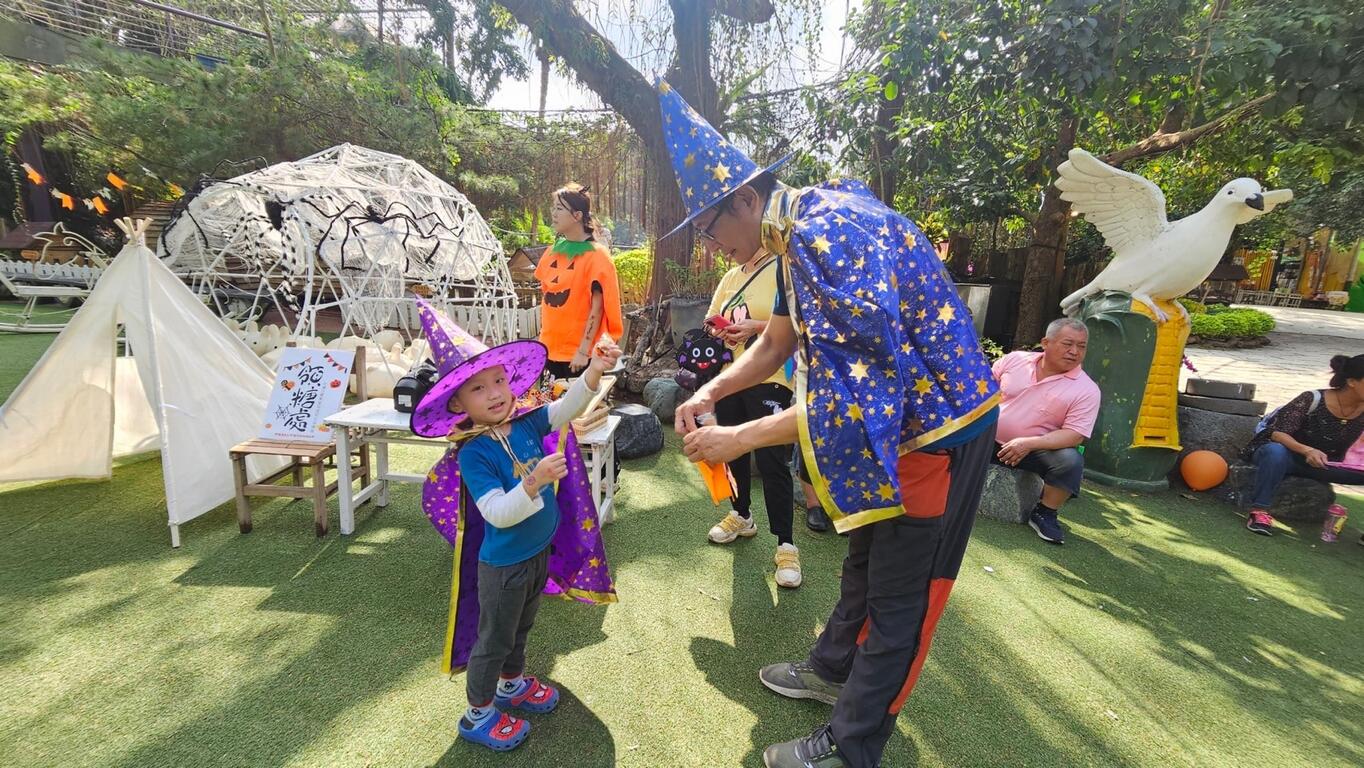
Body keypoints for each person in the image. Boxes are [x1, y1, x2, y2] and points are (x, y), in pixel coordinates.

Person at [658, 80, 999, 768]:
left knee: (902, 597)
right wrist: (712, 390)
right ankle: (832, 668)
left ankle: (851, 746)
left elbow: (853, 403)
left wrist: (736, 438)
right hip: (900, 426)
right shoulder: (792, 236)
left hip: (937, 432)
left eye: (710, 228)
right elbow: (776, 343)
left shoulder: (829, 236)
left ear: (745, 200)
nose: (710, 246)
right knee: (864, 556)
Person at [409, 297, 621, 752]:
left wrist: (594, 370)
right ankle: (478, 713)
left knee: (520, 629)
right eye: (479, 388)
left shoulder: (523, 423)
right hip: (504, 567)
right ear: (458, 403)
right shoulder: (473, 453)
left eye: (499, 380)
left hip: (536, 556)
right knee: (494, 639)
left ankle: (511, 684)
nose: (495, 392)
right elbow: (496, 513)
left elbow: (566, 409)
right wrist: (534, 481)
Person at [703, 241, 801, 587]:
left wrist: (755, 327)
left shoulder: (783, 270)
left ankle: (786, 545)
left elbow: (796, 323)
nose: (724, 248)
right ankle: (741, 514)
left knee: (773, 460)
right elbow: (710, 318)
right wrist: (719, 329)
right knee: (732, 452)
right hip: (729, 376)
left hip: (772, 378)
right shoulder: (731, 277)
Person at [990, 318, 1101, 545]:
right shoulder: (1015, 360)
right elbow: (982, 387)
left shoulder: (1087, 389)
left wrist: (1028, 443)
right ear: (1045, 343)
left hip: (1032, 451)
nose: (1074, 352)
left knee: (1070, 461)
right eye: (1067, 344)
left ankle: (1045, 512)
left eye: (1081, 346)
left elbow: (1074, 435)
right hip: (986, 438)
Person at [1242, 353, 1364, 536]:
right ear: (1352, 382)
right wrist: (1307, 450)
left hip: (1326, 464)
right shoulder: (1313, 398)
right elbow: (1277, 433)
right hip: (1290, 457)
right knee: (1275, 451)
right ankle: (1259, 511)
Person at [534, 183, 623, 381]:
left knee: (577, 400)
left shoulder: (597, 256)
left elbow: (598, 308)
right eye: (553, 208)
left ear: (577, 215)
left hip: (579, 355)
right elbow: (547, 300)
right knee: (549, 398)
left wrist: (583, 351)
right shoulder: (552, 252)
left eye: (559, 208)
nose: (553, 214)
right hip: (549, 349)